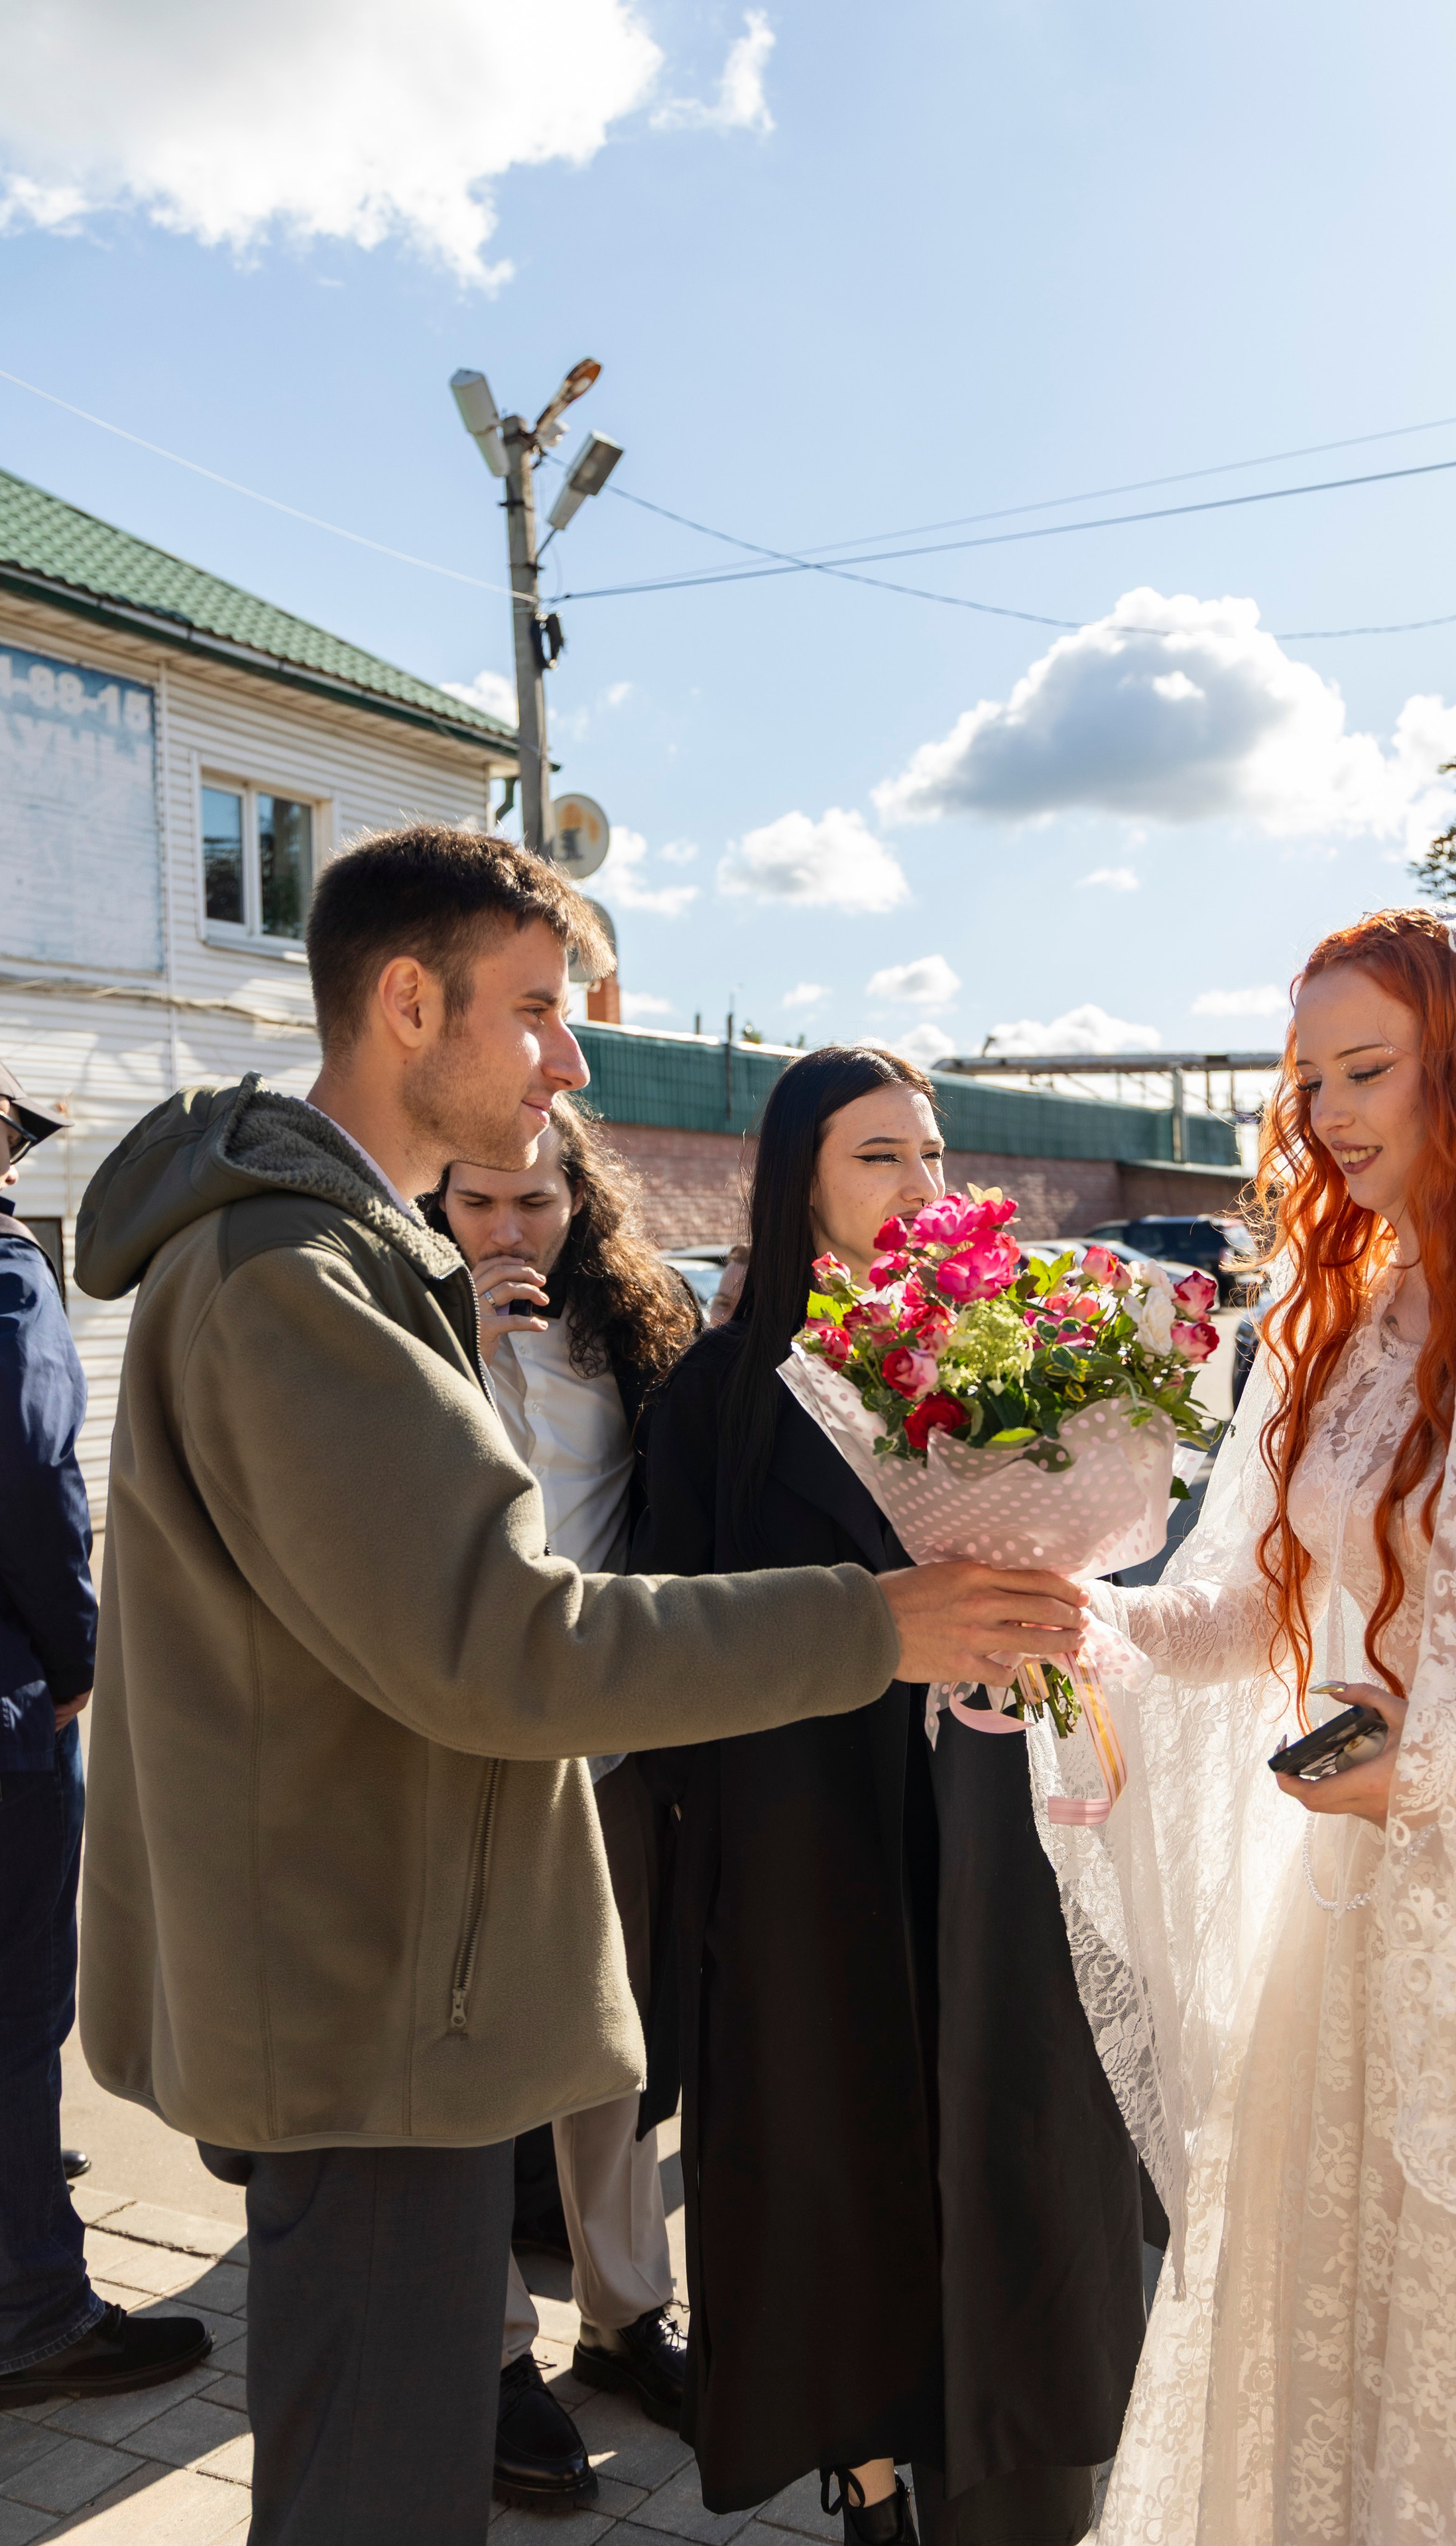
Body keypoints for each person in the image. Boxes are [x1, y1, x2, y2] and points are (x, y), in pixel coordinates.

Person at [71, 826, 1085, 2546]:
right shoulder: (293, 1281)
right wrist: (877, 1622)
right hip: (367, 2013)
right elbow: (509, 1649)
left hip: (384, 1995)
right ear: (408, 1003)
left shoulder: (339, 1255)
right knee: (373, 2502)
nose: (575, 1056)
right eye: (538, 1009)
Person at [1063, 908, 1456, 2545]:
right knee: (1334, 2372)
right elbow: (1253, 1619)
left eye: (1366, 1070)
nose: (1329, 1113)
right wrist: (1077, 1620)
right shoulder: (1343, 1319)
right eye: (1307, 1077)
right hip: (1346, 1932)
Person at [635, 1046, 1149, 2546]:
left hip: (1005, 1840)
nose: (921, 1186)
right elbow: (669, 1644)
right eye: (879, 1158)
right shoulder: (720, 1397)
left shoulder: (1017, 1361)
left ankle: (1021, 2463)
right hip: (812, 1850)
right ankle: (861, 2473)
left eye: (933, 1155)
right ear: (796, 1178)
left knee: (1012, 2148)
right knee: (833, 2159)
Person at [433, 1097, 699, 2510]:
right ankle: (484, 2358)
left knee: (611, 2048)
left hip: (606, 1741)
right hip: (459, 1747)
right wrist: (453, 1333)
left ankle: (625, 2312)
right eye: (477, 1203)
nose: (511, 1230)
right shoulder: (394, 1329)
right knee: (478, 2062)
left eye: (536, 1202)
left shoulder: (629, 1333)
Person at [0, 1063, 211, 2409]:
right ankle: (30, 2312)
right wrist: (77, 1661)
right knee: (17, 2019)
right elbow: (27, 1470)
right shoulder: (8, 1276)